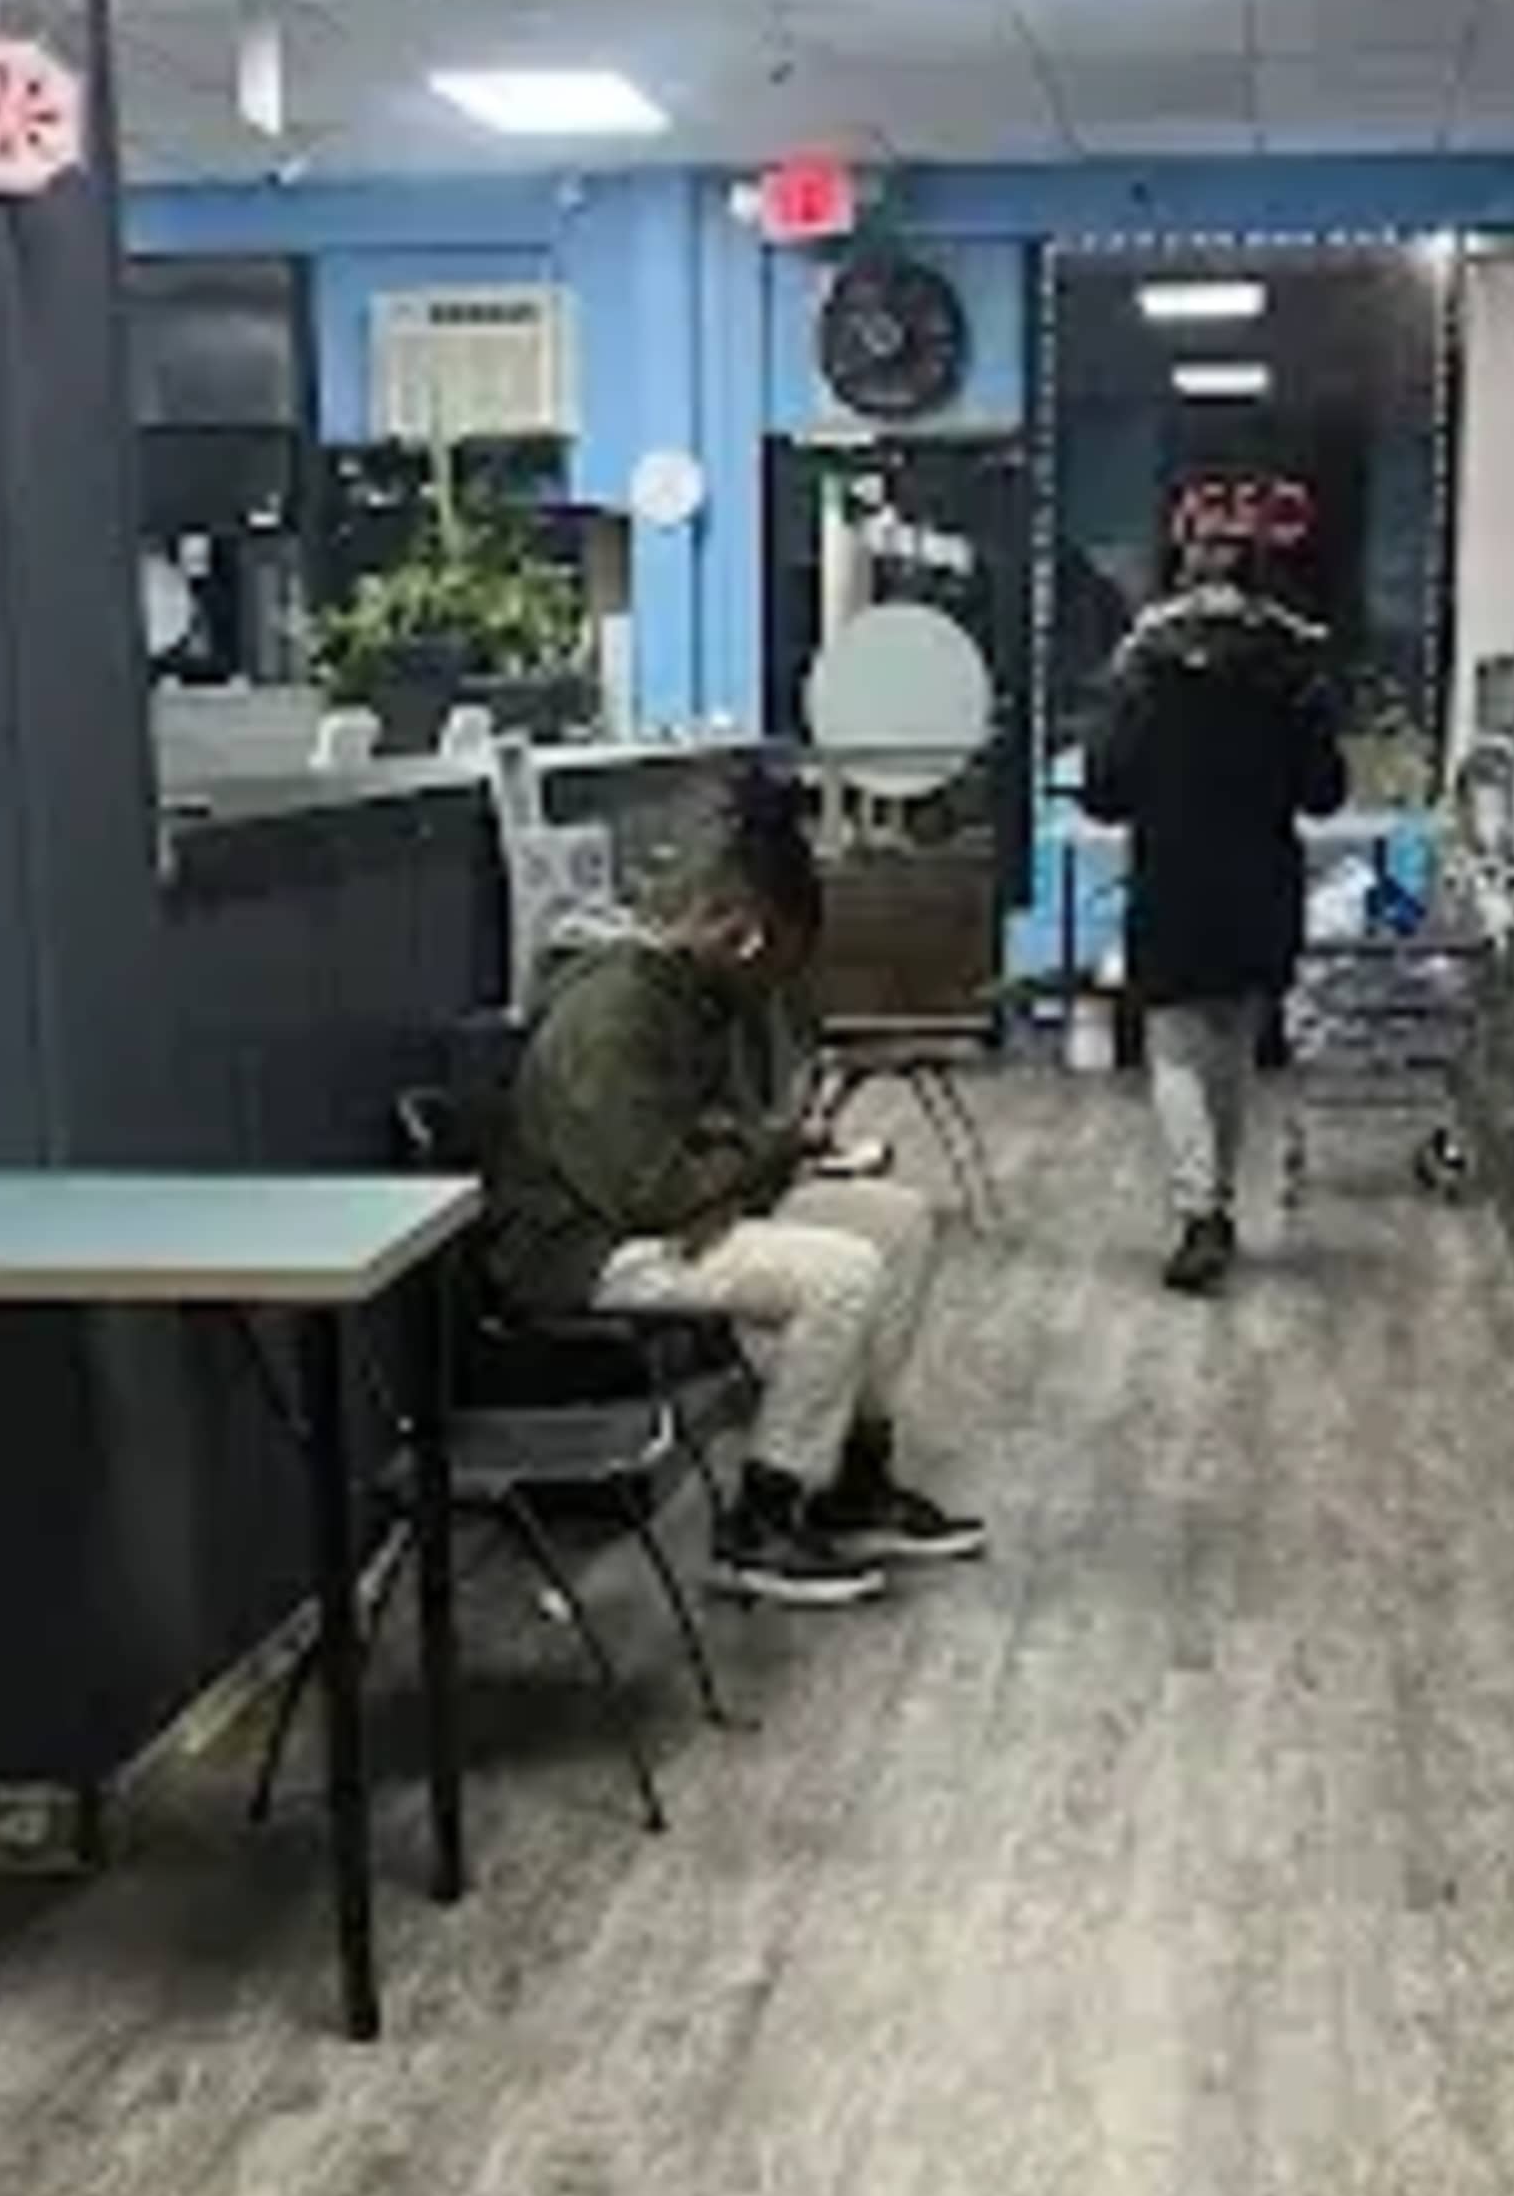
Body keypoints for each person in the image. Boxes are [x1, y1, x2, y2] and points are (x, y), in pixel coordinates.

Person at [489, 778, 984, 1613]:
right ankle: (763, 1518)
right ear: (742, 933)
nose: (775, 992)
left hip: (670, 1214)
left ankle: (854, 1481)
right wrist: (770, 1147)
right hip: (584, 1251)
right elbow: (651, 1194)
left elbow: (710, 1148)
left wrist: (753, 1150)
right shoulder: (615, 1017)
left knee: (897, 1223)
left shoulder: (690, 997)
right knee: (841, 1276)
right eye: (778, 968)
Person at [1084, 527, 1350, 1294]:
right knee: (1232, 1052)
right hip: (1259, 885)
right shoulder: (1292, 665)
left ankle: (1201, 1212)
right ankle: (1216, 1206)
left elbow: (1103, 792)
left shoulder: (1143, 665)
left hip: (1173, 881)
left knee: (1173, 1051)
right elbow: (1324, 792)